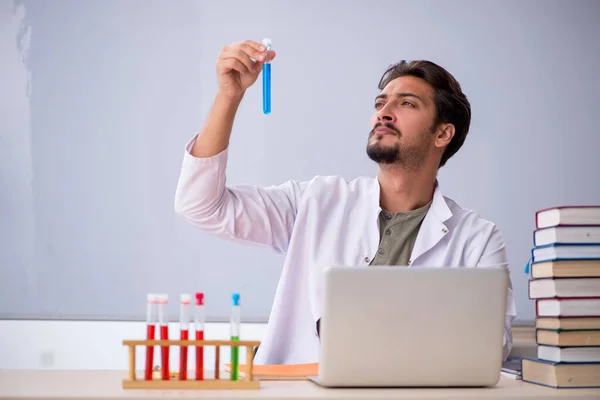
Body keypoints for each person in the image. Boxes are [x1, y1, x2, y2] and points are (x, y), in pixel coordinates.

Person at [174, 40, 516, 364]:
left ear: (443, 133)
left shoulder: (476, 239)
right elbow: (201, 206)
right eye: (380, 103)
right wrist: (229, 96)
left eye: (406, 103)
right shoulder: (317, 201)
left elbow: (490, 346)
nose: (384, 112)